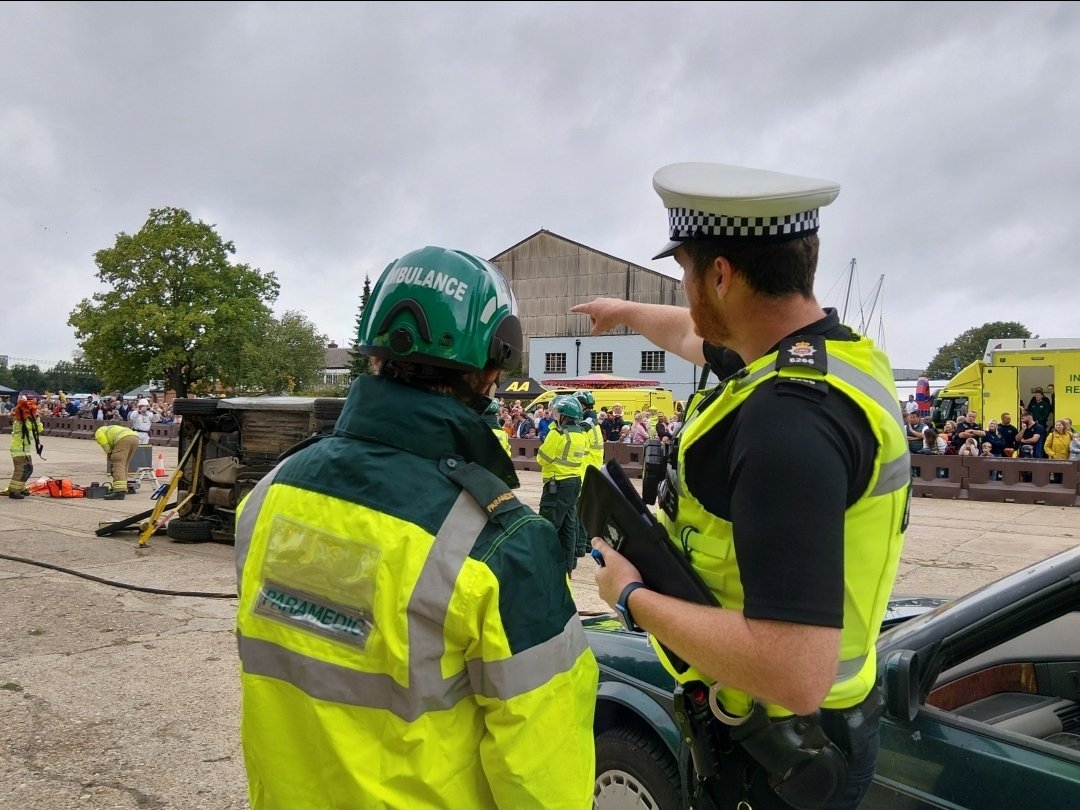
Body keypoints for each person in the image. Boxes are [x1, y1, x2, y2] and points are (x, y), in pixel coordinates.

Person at [573, 162, 908, 810]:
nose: (685, 291)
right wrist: (623, 312)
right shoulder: (828, 358)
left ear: (720, 275)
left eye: (686, 272)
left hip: (777, 753)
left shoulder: (787, 424)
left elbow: (795, 672)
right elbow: (692, 335)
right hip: (815, 733)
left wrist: (631, 596)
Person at [233, 246, 597, 810]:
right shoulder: (503, 546)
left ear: (375, 354)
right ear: (490, 371)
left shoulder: (273, 490)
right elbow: (544, 777)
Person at [536, 393, 591, 574]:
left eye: (557, 413)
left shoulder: (558, 434)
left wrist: (551, 435)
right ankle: (567, 567)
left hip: (557, 483)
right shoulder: (582, 434)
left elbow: (542, 458)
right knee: (569, 527)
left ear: (563, 415)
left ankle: (544, 566)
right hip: (574, 482)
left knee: (548, 524)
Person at [4, 396, 45, 499]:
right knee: (21, 470)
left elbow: (39, 428)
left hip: (24, 449)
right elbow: (29, 427)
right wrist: (33, 417)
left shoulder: (29, 420)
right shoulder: (20, 421)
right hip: (18, 449)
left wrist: (37, 417)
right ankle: (14, 491)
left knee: (28, 469)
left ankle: (20, 487)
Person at [93, 423, 139, 499]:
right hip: (135, 437)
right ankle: (123, 487)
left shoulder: (99, 432)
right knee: (124, 465)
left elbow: (104, 442)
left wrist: (109, 452)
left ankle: (119, 492)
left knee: (118, 463)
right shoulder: (111, 429)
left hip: (123, 439)